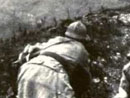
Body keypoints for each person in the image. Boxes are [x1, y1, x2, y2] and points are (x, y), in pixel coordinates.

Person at [14, 21, 92, 98]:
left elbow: (32, 51)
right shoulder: (81, 49)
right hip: (52, 73)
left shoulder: (55, 40)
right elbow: (85, 78)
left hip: (28, 69)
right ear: (83, 38)